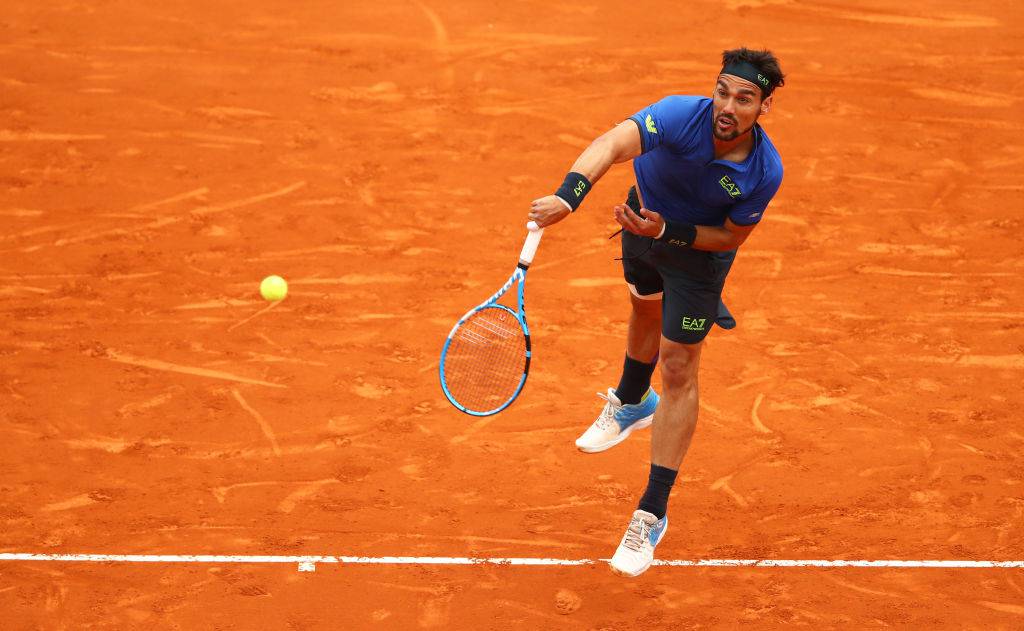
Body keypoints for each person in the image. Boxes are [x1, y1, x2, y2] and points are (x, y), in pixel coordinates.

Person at [528, 47, 785, 577]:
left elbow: (730, 236)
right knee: (643, 306)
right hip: (640, 221)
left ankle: (652, 510)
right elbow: (612, 144)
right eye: (722, 91)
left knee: (678, 366)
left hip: (695, 258)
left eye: (745, 98)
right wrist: (568, 197)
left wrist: (669, 232)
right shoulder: (674, 114)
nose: (728, 106)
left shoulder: (764, 171)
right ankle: (629, 402)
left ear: (763, 108)